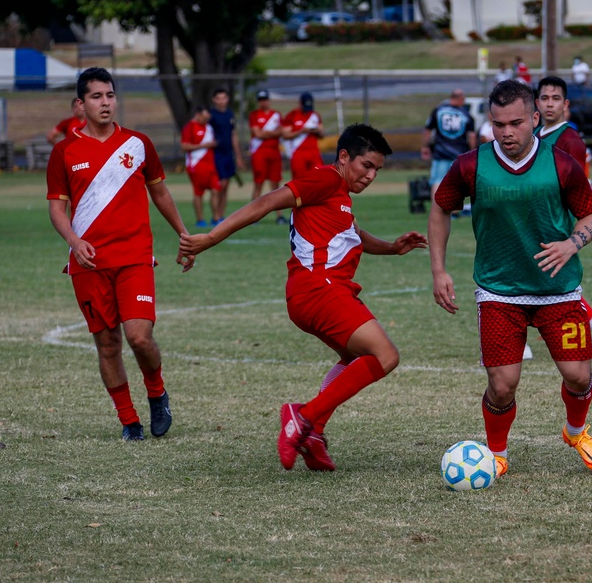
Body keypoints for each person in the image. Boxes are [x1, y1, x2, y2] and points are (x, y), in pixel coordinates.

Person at [179, 124, 427, 471]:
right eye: (366, 165)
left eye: (377, 170)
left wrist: (392, 248)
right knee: (385, 356)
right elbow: (267, 201)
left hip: (314, 293)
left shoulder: (338, 194)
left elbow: (353, 234)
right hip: (319, 289)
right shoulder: (325, 180)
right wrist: (211, 238)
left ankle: (313, 433)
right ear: (344, 157)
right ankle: (304, 418)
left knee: (352, 358)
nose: (370, 175)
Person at [428, 79, 592, 478]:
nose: (507, 132)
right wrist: (438, 269)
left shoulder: (561, 163)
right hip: (498, 291)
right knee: (502, 385)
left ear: (533, 118)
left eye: (515, 123)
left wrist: (571, 244)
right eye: (498, 124)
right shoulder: (471, 165)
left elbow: (591, 215)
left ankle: (576, 432)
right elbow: (441, 209)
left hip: (558, 290)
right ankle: (498, 454)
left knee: (578, 376)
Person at [46, 67, 193, 441]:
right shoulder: (64, 152)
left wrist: (183, 234)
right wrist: (75, 242)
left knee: (139, 337)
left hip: (135, 257)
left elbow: (159, 192)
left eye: (110, 95)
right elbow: (57, 210)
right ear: (80, 104)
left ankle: (157, 394)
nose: (106, 103)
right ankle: (129, 421)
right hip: (88, 263)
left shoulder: (138, 144)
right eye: (96, 97)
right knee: (107, 342)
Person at [535, 75, 592, 363]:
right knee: (537, 278)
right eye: (544, 98)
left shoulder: (570, 139)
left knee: (553, 281)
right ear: (536, 102)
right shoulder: (535, 134)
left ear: (565, 104)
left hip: (556, 220)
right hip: (534, 216)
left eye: (555, 98)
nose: (549, 103)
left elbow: (577, 188)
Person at [420, 88, 476, 204]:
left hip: (440, 152)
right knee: (456, 182)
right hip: (459, 154)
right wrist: (472, 152)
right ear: (460, 99)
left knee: (437, 180)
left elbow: (428, 131)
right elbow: (471, 136)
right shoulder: (466, 115)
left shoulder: (438, 111)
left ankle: (436, 209)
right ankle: (454, 210)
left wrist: (425, 146)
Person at [248, 90, 286, 224]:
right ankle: (252, 215)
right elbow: (257, 134)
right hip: (260, 152)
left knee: (275, 184)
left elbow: (281, 131)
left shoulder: (276, 115)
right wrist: (273, 133)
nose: (264, 102)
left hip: (274, 152)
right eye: (261, 100)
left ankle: (279, 215)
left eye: (265, 99)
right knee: (259, 182)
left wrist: (267, 133)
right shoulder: (254, 115)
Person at [209, 88, 245, 225]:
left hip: (228, 154)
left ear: (227, 99)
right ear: (214, 100)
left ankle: (221, 215)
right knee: (220, 184)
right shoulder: (211, 116)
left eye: (223, 98)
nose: (221, 101)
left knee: (227, 185)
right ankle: (216, 215)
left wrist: (238, 156)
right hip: (216, 154)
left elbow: (233, 135)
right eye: (218, 98)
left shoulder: (230, 115)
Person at [181, 105, 221, 228]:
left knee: (216, 190)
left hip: (210, 165)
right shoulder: (190, 127)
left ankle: (216, 217)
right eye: (203, 117)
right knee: (199, 193)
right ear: (198, 114)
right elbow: (185, 146)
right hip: (196, 165)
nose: (205, 120)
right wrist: (204, 145)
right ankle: (200, 219)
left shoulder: (208, 128)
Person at [281, 92, 325, 179]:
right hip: (298, 152)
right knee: (299, 181)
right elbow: (285, 135)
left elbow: (322, 135)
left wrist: (317, 131)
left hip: (314, 152)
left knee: (318, 178)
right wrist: (301, 131)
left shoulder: (315, 115)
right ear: (300, 103)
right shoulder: (292, 115)